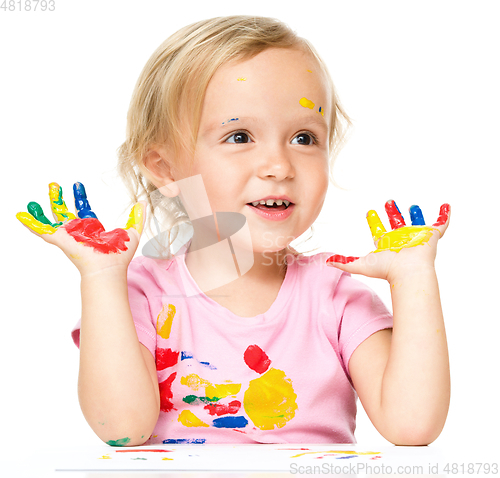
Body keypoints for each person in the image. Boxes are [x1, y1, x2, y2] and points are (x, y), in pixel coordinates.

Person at [16, 15, 450, 446]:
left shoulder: (336, 295)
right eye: (240, 136)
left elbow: (412, 426)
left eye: (303, 138)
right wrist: (100, 278)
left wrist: (414, 278)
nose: (279, 166)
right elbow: (123, 430)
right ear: (165, 169)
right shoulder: (142, 294)